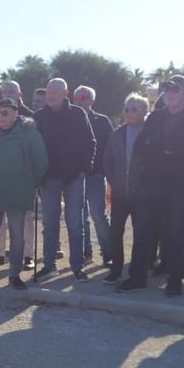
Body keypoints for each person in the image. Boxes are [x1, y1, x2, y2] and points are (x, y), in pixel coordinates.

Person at [118, 75, 184, 297]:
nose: (170, 93)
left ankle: (175, 281)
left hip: (182, 185)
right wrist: (162, 154)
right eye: (167, 89)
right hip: (152, 183)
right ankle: (137, 277)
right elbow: (141, 145)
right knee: (142, 232)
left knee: (176, 234)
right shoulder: (156, 117)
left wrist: (163, 152)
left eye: (175, 89)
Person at [0, 99, 48, 290]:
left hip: (19, 191)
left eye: (5, 113)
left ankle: (14, 275)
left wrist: (31, 183)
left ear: (15, 113)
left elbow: (41, 162)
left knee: (17, 236)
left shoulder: (30, 134)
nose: (0, 117)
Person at [34, 78, 95, 282]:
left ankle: (77, 266)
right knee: (50, 223)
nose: (51, 96)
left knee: (75, 223)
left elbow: (90, 142)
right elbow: (33, 146)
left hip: (74, 177)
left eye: (55, 92)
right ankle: (49, 265)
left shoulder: (78, 113)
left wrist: (84, 169)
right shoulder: (39, 116)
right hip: (49, 177)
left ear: (65, 93)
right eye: (49, 92)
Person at [103, 93, 148, 283]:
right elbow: (108, 161)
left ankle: (137, 273)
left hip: (142, 195)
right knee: (116, 234)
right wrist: (114, 181)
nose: (129, 112)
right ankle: (116, 270)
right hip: (120, 193)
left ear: (144, 112)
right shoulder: (117, 133)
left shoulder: (150, 133)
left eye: (134, 109)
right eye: (126, 109)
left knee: (141, 234)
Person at [0, 81, 35, 267]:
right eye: (4, 91)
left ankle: (27, 255)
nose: (7, 94)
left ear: (19, 93)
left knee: (26, 219)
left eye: (11, 91)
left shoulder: (31, 116)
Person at [72, 85, 112, 267]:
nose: (79, 100)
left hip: (95, 175)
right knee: (80, 216)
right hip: (74, 176)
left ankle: (109, 252)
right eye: (76, 97)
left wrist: (105, 171)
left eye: (83, 97)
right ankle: (86, 252)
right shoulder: (68, 119)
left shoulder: (103, 121)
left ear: (92, 101)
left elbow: (111, 149)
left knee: (98, 214)